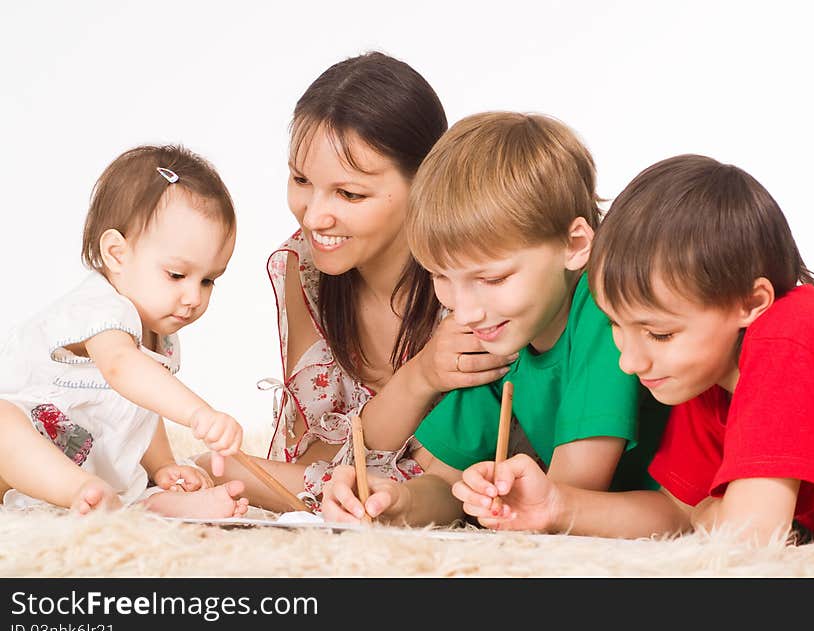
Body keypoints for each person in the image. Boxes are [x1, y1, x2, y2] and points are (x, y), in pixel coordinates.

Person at [453, 153, 814, 546]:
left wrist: (714, 511)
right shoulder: (709, 373)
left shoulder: (789, 339)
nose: (629, 361)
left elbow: (750, 534)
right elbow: (676, 509)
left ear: (751, 303)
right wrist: (554, 505)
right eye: (617, 326)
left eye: (659, 335)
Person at [197, 52, 515, 512]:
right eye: (301, 179)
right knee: (205, 467)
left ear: (425, 181)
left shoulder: (470, 281)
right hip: (342, 477)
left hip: (442, 486)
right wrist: (421, 376)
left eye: (350, 193)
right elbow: (317, 452)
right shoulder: (303, 267)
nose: (314, 215)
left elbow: (456, 465)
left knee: (225, 473)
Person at [322, 111, 668, 526]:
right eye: (440, 276)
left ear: (575, 244)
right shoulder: (503, 330)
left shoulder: (603, 310)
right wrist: (397, 502)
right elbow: (447, 483)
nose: (466, 311)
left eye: (492, 278)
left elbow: (571, 491)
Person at [0, 144, 248, 517]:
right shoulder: (101, 307)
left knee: (129, 487)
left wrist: (162, 465)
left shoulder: (160, 336)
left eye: (209, 280)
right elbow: (121, 368)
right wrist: (199, 413)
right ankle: (79, 490)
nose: (194, 296)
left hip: (84, 463)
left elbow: (141, 407)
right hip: (17, 460)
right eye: (177, 275)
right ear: (117, 254)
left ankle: (157, 504)